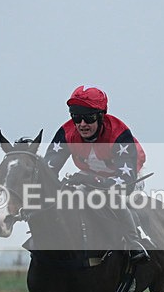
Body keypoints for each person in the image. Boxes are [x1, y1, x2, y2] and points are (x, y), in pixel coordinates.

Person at [44, 85, 151, 263]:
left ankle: (134, 242)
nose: (82, 124)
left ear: (101, 116)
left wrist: (96, 181)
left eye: (89, 118)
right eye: (76, 117)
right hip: (90, 173)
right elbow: (48, 172)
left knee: (111, 198)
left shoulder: (119, 133)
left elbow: (125, 180)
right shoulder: (67, 132)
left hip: (128, 174)